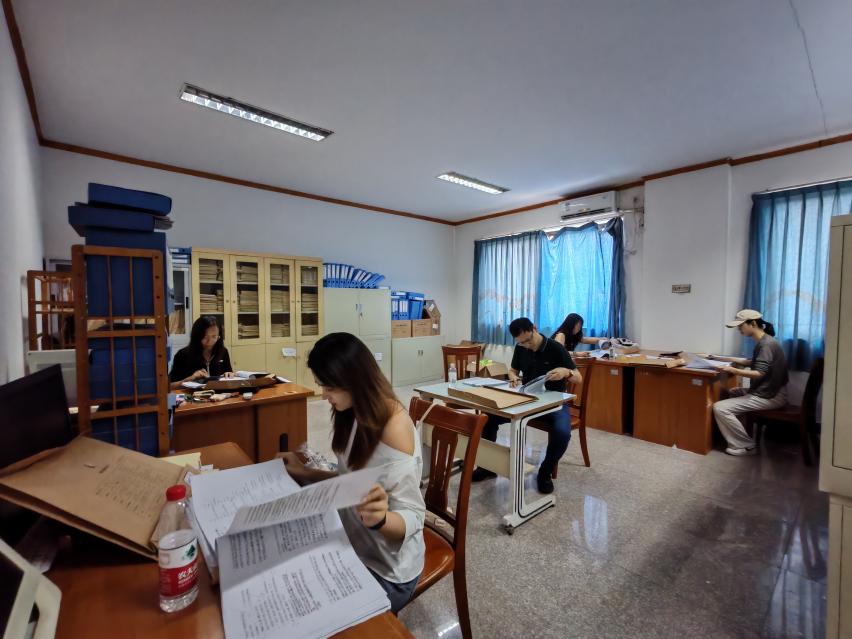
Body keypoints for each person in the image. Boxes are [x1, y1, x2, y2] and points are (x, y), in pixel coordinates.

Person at [277, 332, 425, 613]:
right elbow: (349, 483)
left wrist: (380, 520)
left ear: (354, 380)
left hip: (386, 570)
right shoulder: (352, 412)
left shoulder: (393, 426)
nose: (324, 395)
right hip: (352, 543)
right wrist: (304, 472)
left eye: (329, 387)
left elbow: (415, 516)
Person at [472, 317, 581, 494]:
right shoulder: (521, 347)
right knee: (488, 417)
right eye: (521, 342)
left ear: (534, 328)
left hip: (553, 403)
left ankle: (544, 473)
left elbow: (578, 377)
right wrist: (513, 377)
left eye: (528, 340)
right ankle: (488, 466)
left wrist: (565, 372)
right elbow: (512, 370)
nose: (527, 345)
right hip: (527, 400)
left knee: (562, 433)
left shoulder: (555, 348)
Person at [711, 309, 789, 456]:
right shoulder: (765, 341)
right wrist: (721, 358)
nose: (739, 329)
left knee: (720, 407)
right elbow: (751, 362)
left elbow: (759, 373)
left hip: (772, 395)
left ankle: (746, 445)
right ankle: (737, 434)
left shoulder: (766, 345)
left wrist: (733, 370)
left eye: (741, 326)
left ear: (752, 324)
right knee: (734, 392)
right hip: (769, 391)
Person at [168, 315, 233, 390]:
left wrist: (230, 375)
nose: (209, 341)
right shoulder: (183, 354)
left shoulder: (223, 352)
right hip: (191, 396)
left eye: (214, 336)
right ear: (197, 335)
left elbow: (229, 374)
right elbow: (170, 386)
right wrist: (190, 379)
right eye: (205, 337)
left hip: (219, 396)